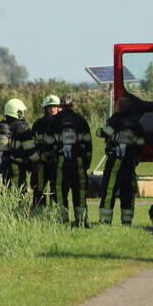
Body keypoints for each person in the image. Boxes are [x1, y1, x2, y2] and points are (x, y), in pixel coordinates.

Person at [43, 94, 92, 226]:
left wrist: (49, 160)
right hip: (79, 163)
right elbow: (88, 144)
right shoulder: (81, 120)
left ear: (60, 106)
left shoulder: (54, 121)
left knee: (60, 192)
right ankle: (81, 221)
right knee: (80, 192)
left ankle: (62, 221)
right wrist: (86, 163)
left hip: (60, 164)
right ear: (72, 105)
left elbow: (47, 143)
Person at [97, 97, 146, 225]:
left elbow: (106, 133)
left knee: (109, 189)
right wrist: (136, 158)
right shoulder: (136, 123)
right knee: (128, 190)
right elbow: (140, 143)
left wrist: (98, 131)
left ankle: (105, 221)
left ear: (118, 106)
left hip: (115, 160)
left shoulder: (116, 119)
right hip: (130, 161)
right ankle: (127, 221)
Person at [0, 98, 37, 190]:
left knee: (2, 190)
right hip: (17, 167)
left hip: (0, 166)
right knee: (18, 191)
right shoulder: (22, 127)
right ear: (18, 112)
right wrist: (37, 161)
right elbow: (30, 149)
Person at [31, 94, 62, 207]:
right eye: (49, 107)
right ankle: (38, 212)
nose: (52, 109)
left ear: (59, 107)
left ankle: (55, 213)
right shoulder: (38, 124)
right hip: (41, 163)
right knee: (39, 189)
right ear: (45, 108)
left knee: (57, 189)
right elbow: (32, 143)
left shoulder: (63, 123)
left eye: (54, 106)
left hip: (57, 162)